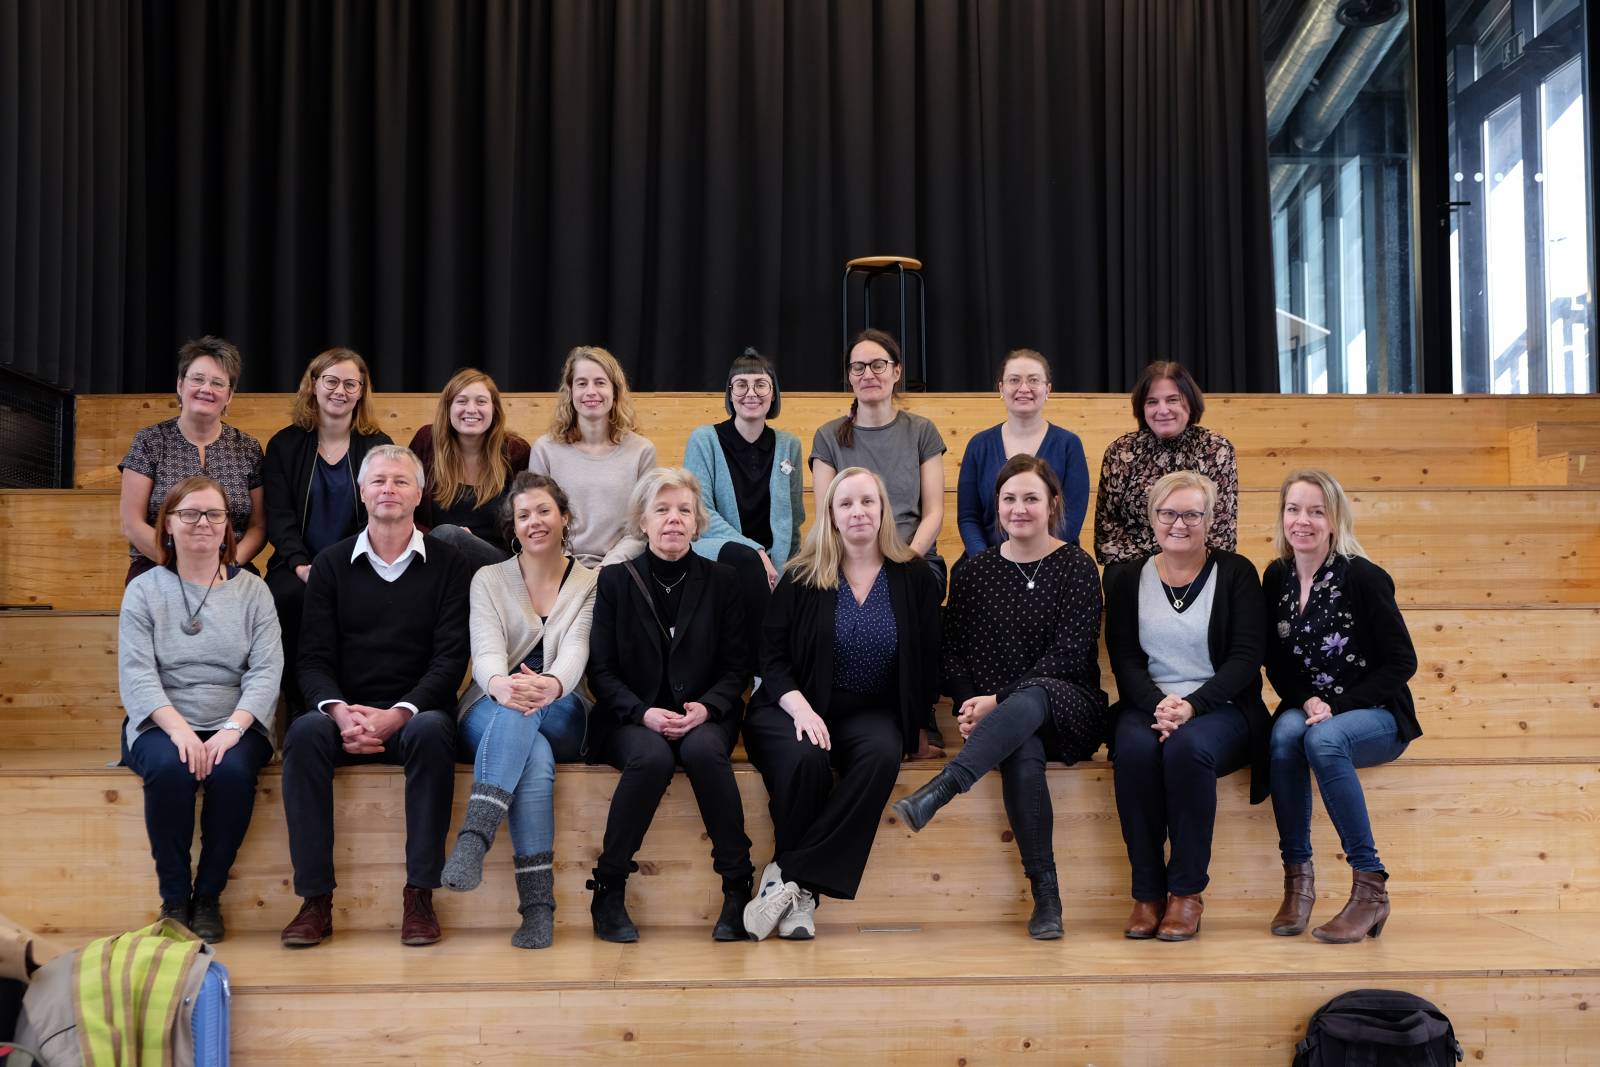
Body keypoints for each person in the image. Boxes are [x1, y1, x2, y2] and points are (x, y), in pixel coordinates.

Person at [893, 456, 1107, 940]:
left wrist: (997, 702)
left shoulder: (1076, 566)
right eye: (1009, 498)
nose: (1019, 508)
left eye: (1031, 498)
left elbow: (1071, 655)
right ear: (997, 505)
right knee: (1021, 750)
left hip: (1069, 709)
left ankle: (945, 787)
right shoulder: (975, 571)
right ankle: (1047, 898)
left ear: (1053, 504)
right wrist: (970, 703)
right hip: (1003, 724)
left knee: (1033, 698)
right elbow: (952, 651)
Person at [278, 444, 471, 948]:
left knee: (433, 731)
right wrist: (341, 714)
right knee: (304, 733)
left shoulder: (450, 564)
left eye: (401, 481)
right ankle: (315, 901)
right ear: (362, 492)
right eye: (379, 481)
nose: (389, 489)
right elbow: (311, 660)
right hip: (345, 714)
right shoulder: (330, 563)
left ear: (419, 494)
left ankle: (420, 895)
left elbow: (450, 661)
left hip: (414, 715)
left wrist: (397, 715)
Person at [740, 467, 942, 942]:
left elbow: (928, 658)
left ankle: (787, 877)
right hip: (791, 704)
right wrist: (801, 709)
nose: (858, 512)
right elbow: (771, 657)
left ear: (883, 510)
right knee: (807, 759)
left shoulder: (913, 576)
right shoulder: (802, 575)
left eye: (867, 501)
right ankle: (801, 896)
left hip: (870, 709)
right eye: (845, 503)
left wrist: (921, 725)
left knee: (881, 755)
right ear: (830, 515)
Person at [584, 468, 752, 943]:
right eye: (661, 510)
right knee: (651, 757)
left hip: (706, 715)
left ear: (698, 523)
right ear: (643, 521)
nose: (673, 519)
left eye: (684, 510)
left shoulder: (724, 581)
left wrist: (708, 708)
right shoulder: (614, 581)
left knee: (704, 751)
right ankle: (609, 886)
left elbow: (737, 667)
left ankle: (737, 886)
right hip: (630, 717)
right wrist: (643, 713)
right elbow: (602, 672)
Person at [1102, 471, 1268, 941]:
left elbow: (1245, 657)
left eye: (1192, 514)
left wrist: (1192, 706)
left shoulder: (1236, 573)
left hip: (1222, 707)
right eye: (1168, 513)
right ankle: (1147, 894)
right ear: (1152, 518)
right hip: (1148, 703)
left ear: (1210, 520)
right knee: (1134, 751)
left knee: (1186, 750)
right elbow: (1125, 659)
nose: (1179, 524)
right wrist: (1160, 705)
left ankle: (1186, 892)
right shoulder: (1126, 578)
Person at [117, 477, 282, 943]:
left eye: (214, 514)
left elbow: (266, 671)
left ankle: (207, 896)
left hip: (237, 722)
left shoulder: (253, 592)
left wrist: (231, 730)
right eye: (189, 513)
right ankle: (174, 900)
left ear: (227, 526)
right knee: (170, 769)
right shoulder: (144, 590)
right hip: (162, 721)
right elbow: (137, 673)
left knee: (232, 774)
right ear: (167, 524)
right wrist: (179, 732)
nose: (202, 523)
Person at [441, 472, 599, 949]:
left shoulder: (590, 581)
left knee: (526, 716)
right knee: (533, 752)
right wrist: (500, 685)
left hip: (565, 704)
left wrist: (550, 684)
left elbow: (577, 649)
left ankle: (475, 835)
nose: (535, 522)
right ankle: (537, 910)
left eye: (544, 511)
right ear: (513, 526)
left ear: (564, 517)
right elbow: (486, 650)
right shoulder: (488, 579)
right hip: (491, 703)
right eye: (524, 515)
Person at [1264, 469, 1420, 943]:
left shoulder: (1364, 577)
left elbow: (1402, 662)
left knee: (1323, 738)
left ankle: (1370, 888)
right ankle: (1298, 882)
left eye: (1316, 511)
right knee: (1284, 734)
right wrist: (1307, 699)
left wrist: (1338, 705)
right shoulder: (1276, 576)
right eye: (1294, 509)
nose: (1303, 521)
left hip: (1375, 713)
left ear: (1334, 520)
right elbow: (1275, 660)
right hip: (1311, 707)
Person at [262, 348, 393, 714]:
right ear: (314, 384)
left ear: (362, 391)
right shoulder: (285, 445)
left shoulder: (377, 445)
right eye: (331, 381)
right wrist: (301, 564)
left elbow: (377, 515)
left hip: (359, 562)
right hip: (295, 565)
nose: (340, 391)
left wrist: (338, 567)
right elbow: (279, 516)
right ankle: (298, 704)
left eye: (351, 384)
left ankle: (358, 703)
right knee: (287, 597)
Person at [119, 336, 266, 584]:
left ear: (230, 395)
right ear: (180, 384)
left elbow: (258, 527)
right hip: (159, 564)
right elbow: (132, 523)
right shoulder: (149, 442)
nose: (206, 389)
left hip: (228, 568)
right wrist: (178, 565)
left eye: (217, 383)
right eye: (197, 379)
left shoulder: (248, 448)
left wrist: (226, 566)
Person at [810, 329, 947, 590]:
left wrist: (905, 563)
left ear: (896, 372)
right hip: (848, 561)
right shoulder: (827, 437)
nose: (868, 374)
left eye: (878, 365)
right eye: (858, 367)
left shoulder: (922, 431)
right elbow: (826, 517)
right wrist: (861, 568)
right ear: (850, 377)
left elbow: (934, 513)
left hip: (913, 560)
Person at [683, 348, 805, 640]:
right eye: (741, 385)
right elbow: (701, 513)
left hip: (772, 561)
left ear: (773, 393)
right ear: (730, 393)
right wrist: (756, 551)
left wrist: (788, 570)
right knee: (747, 563)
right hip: (717, 551)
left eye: (761, 384)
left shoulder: (789, 445)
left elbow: (794, 518)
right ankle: (763, 659)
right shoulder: (704, 439)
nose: (751, 393)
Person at [1093, 361, 1238, 565]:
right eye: (1152, 402)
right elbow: (1107, 534)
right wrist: (1156, 567)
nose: (1163, 410)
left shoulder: (1216, 449)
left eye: (1172, 400)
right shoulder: (1121, 451)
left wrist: (1175, 564)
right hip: (1133, 569)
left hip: (1197, 567)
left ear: (1190, 402)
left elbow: (1221, 533)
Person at [528, 346, 658, 567]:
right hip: (557, 565)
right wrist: (569, 569)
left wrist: (607, 568)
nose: (591, 391)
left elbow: (642, 528)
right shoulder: (545, 449)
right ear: (570, 391)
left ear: (615, 391)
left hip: (619, 567)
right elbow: (537, 522)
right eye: (581, 383)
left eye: (600, 382)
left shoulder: (642, 451)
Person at [956, 350, 1090, 558]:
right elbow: (968, 518)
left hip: (1053, 561)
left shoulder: (1069, 445)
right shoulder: (979, 445)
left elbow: (1069, 520)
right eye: (1014, 380)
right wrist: (987, 562)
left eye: (1033, 380)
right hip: (987, 561)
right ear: (1001, 388)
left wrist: (1034, 560)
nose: (1024, 388)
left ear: (1048, 389)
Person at [407, 369, 532, 570]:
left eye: (481, 402)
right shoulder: (427, 441)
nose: (471, 409)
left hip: (497, 564)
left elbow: (527, 520)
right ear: (448, 407)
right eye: (462, 401)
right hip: (437, 553)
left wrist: (468, 542)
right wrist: (449, 540)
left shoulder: (515, 452)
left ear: (494, 409)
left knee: (449, 535)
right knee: (446, 537)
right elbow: (405, 506)